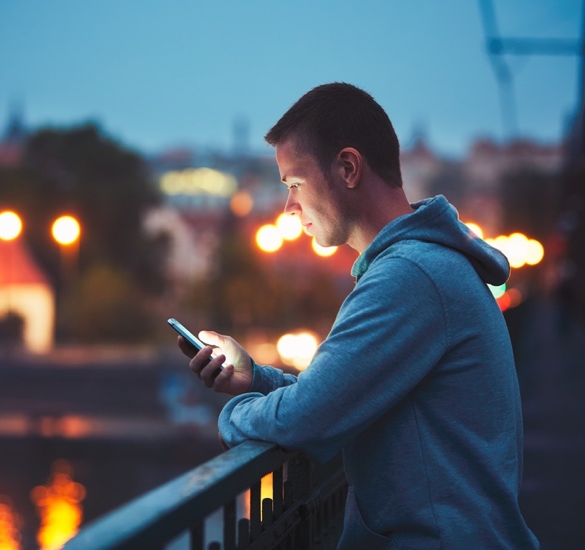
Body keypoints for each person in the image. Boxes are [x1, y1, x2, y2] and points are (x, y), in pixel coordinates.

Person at [177, 82, 539, 549]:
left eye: (294, 184)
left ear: (347, 168)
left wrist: (233, 414)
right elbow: (346, 395)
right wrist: (256, 380)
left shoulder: (409, 277)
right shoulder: (426, 266)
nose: (288, 207)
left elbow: (308, 418)